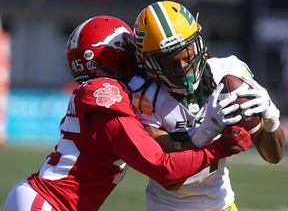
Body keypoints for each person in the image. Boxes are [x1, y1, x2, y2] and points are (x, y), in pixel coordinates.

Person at [4, 16, 252, 211]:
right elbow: (163, 168)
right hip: (49, 204)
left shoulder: (105, 93)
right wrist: (220, 146)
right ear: (118, 56)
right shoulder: (105, 92)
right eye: (132, 52)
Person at [129, 0, 285, 211]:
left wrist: (271, 116)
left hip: (222, 204)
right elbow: (170, 179)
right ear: (149, 63)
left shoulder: (229, 72)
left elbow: (273, 156)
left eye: (188, 55)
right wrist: (207, 129)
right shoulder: (146, 97)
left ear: (199, 43)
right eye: (170, 62)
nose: (185, 69)